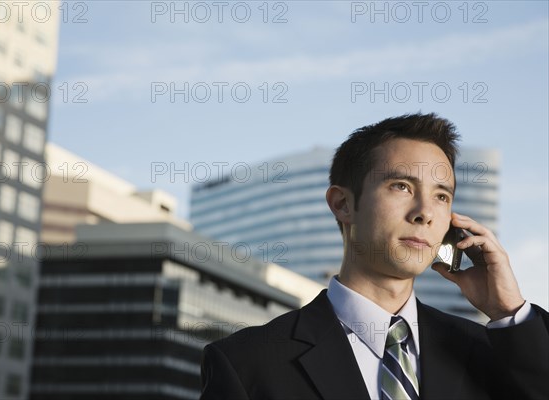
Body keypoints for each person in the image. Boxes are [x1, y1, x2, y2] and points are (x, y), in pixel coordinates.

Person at [199, 113, 549, 400]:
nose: (425, 212)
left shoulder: (494, 354)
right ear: (343, 204)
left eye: (442, 196)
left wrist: (508, 310)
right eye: (401, 186)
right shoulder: (247, 363)